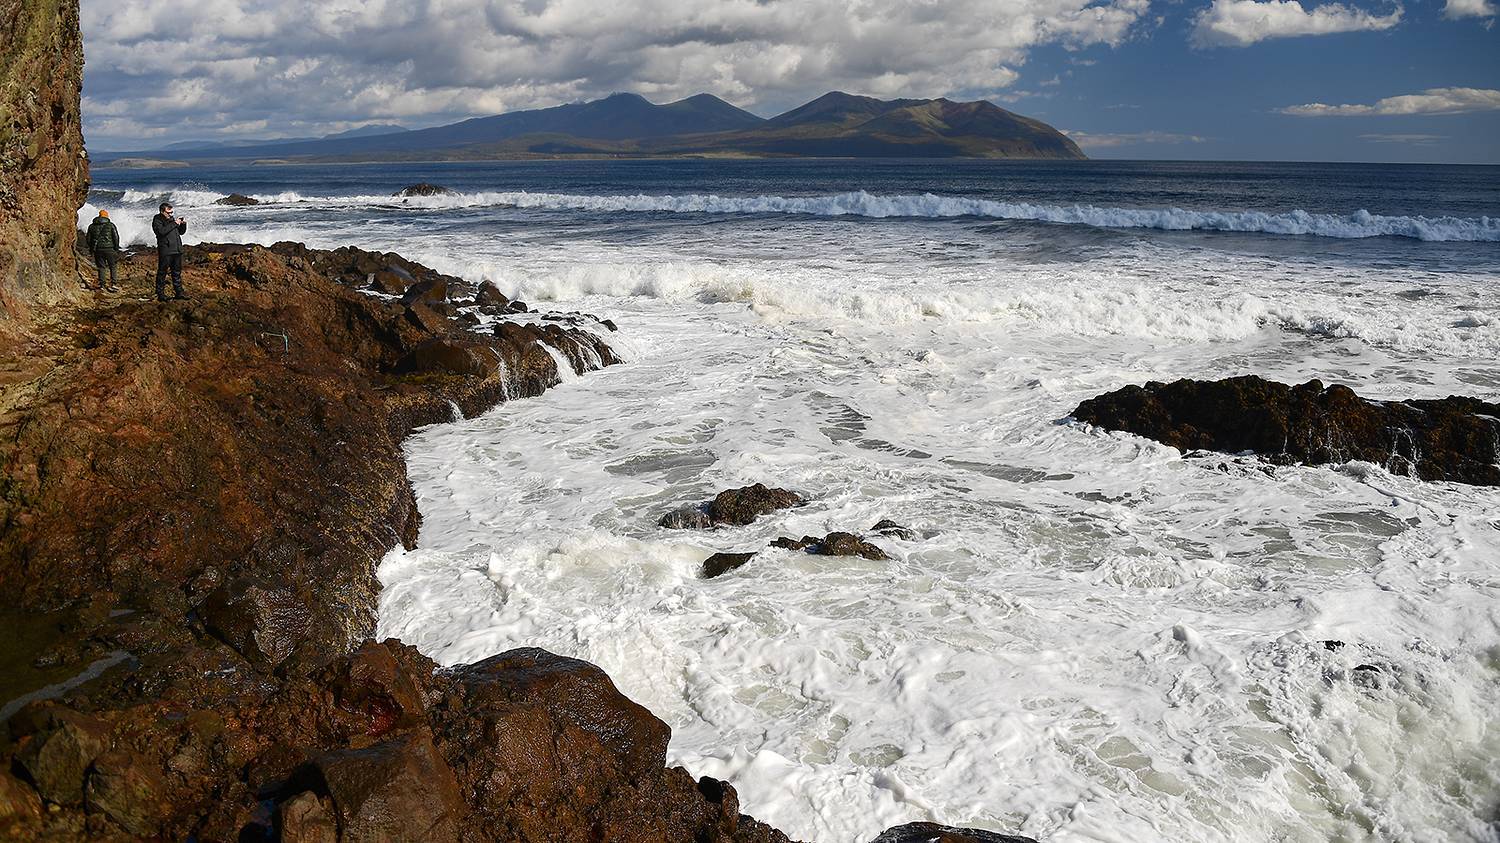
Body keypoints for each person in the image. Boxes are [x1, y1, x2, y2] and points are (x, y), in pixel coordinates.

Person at [152, 201, 188, 301]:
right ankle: (160, 294)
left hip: (176, 250)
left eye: (172, 212)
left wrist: (183, 225)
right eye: (169, 212)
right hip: (166, 250)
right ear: (162, 211)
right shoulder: (157, 219)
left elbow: (181, 232)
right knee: (162, 273)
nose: (171, 214)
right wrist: (174, 223)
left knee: (176, 273)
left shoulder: (172, 220)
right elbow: (161, 232)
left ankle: (179, 293)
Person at [85, 209, 120, 291]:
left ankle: (102, 285)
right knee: (113, 266)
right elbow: (116, 237)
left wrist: (92, 248)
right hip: (110, 249)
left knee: (101, 267)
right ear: (106, 216)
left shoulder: (91, 226)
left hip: (98, 249)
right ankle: (113, 284)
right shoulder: (111, 225)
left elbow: (88, 239)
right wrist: (116, 248)